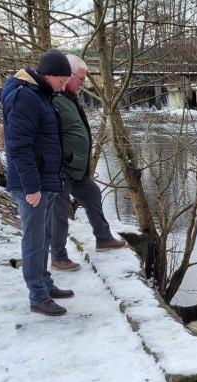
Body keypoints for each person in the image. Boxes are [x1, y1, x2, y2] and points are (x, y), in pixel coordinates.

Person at [2, 49, 75, 316]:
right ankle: (38, 296)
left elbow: (44, 140)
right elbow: (19, 146)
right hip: (31, 185)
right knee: (34, 240)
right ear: (48, 75)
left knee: (43, 237)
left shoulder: (40, 94)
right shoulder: (26, 98)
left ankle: (44, 283)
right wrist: (31, 186)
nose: (64, 86)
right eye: (61, 80)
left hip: (44, 180)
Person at [48, 54, 127, 273]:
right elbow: (48, 135)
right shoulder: (54, 99)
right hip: (61, 169)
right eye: (81, 78)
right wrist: (63, 159)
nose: (84, 83)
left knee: (92, 193)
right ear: (67, 75)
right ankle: (59, 257)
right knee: (59, 212)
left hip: (76, 168)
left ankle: (103, 239)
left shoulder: (70, 98)